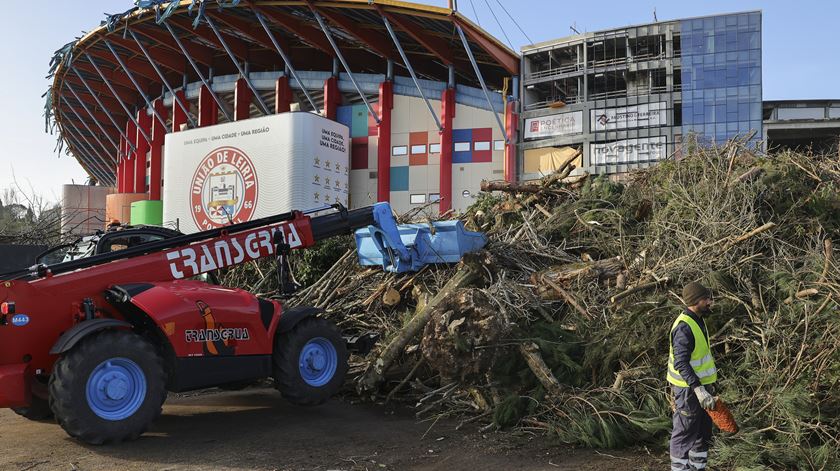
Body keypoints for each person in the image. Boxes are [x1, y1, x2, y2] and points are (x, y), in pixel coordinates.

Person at [668, 281, 717, 471]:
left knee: (702, 433)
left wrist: (706, 388)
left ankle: (697, 468)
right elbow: (681, 363)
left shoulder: (698, 320)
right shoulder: (684, 327)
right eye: (706, 299)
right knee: (684, 432)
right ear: (696, 301)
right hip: (688, 390)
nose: (710, 302)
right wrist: (698, 389)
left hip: (701, 388)